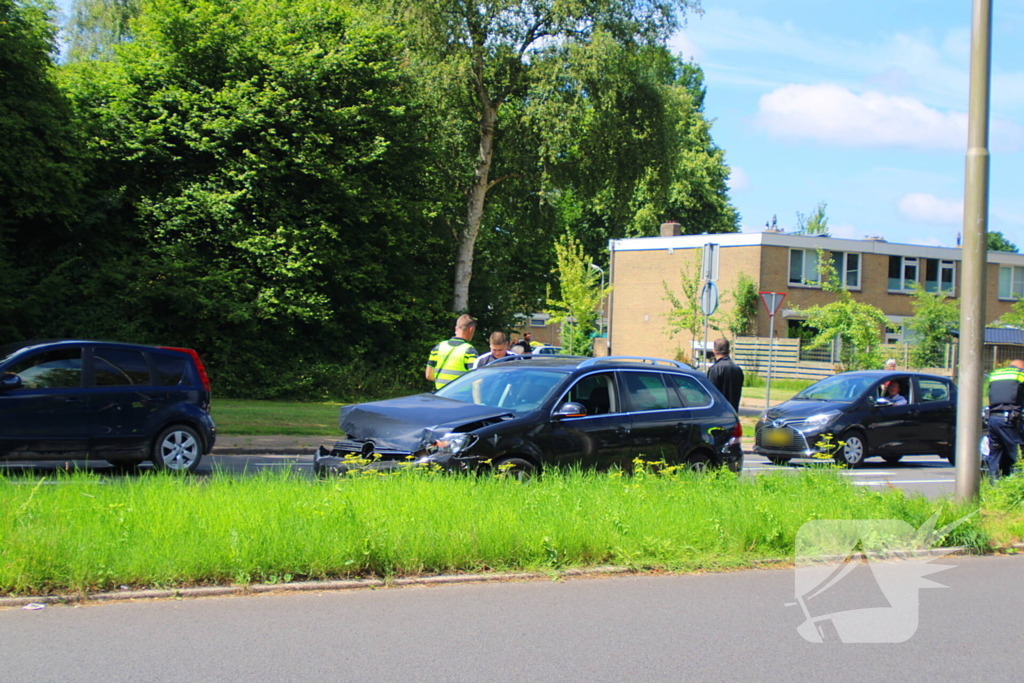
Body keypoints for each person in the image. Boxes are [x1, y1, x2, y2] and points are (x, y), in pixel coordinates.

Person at [985, 359, 1024, 480]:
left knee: (996, 454)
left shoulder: (996, 374)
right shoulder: (1020, 374)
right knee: (1018, 453)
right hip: (1009, 420)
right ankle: (1019, 484)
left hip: (992, 419)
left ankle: (994, 485)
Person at [425, 315, 478, 390]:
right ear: (471, 329)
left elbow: (428, 375)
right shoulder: (470, 351)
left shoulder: (439, 347)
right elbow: (475, 380)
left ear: (456, 328)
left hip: (440, 394)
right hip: (460, 397)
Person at [707, 338, 744, 411]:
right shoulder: (737, 369)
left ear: (714, 352)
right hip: (733, 411)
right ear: (729, 351)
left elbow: (710, 393)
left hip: (718, 412)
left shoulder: (714, 369)